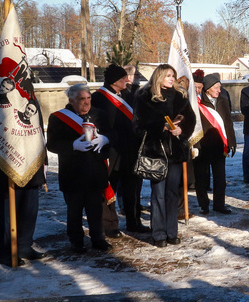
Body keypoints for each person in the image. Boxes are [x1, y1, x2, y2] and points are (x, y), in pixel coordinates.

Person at [133, 65, 196, 248]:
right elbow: (137, 126)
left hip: (175, 151)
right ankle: (159, 233)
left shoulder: (181, 95)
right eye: (168, 75)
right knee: (158, 194)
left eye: (173, 76)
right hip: (156, 152)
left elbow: (191, 120)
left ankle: (171, 232)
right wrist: (160, 126)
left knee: (172, 193)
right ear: (159, 76)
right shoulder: (144, 96)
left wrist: (182, 130)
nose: (171, 78)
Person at [47, 83, 113, 254]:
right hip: (72, 173)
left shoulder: (99, 114)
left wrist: (105, 139)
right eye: (82, 99)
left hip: (95, 171)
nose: (86, 102)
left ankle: (98, 239)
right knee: (74, 212)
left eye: (88, 98)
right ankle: (76, 241)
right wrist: (72, 145)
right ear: (71, 100)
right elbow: (52, 144)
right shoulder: (58, 117)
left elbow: (113, 134)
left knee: (96, 210)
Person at [92, 63, 149, 234]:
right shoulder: (98, 98)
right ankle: (109, 226)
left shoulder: (128, 95)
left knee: (132, 189)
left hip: (130, 150)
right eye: (124, 78)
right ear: (114, 81)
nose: (127, 80)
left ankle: (134, 222)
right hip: (111, 151)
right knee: (109, 190)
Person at [194, 73, 236, 215]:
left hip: (219, 146)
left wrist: (231, 141)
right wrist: (194, 145)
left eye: (220, 87)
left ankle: (219, 204)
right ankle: (203, 205)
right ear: (208, 88)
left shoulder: (223, 100)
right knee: (201, 178)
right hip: (202, 146)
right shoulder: (197, 103)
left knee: (220, 178)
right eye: (216, 87)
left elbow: (228, 122)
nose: (219, 90)